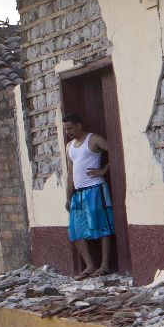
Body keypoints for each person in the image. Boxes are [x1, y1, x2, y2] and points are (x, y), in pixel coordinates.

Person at [63, 113, 115, 278]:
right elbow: (70, 173)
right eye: (66, 129)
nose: (68, 132)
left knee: (103, 226)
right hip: (78, 193)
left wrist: (104, 170)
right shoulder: (69, 146)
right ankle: (90, 265)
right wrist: (68, 196)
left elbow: (115, 151)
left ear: (79, 125)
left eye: (70, 128)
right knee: (76, 231)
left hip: (96, 189)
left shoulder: (94, 139)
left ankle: (104, 265)